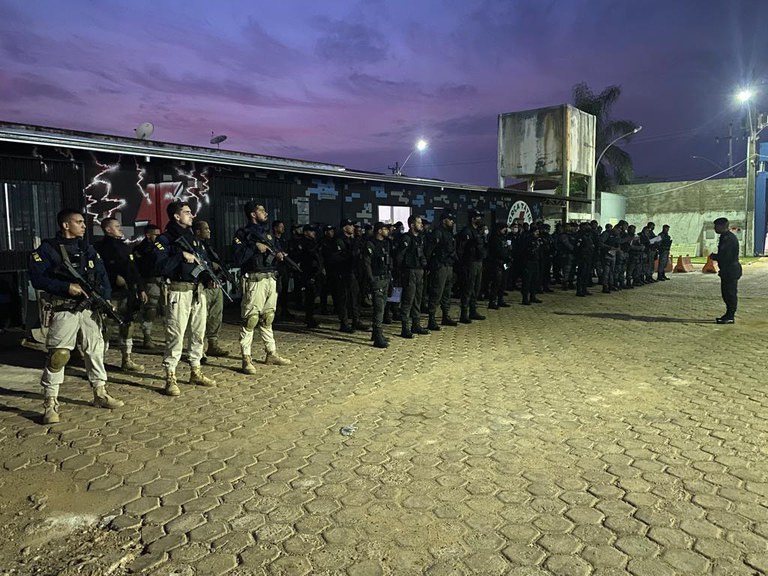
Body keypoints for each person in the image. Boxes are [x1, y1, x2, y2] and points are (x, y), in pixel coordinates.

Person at [29, 208, 124, 424]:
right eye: (79, 222)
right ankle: (50, 402)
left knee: (96, 350)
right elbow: (38, 279)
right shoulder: (48, 249)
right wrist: (65, 287)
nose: (83, 225)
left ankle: (100, 392)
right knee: (59, 355)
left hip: (90, 308)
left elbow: (101, 275)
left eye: (83, 222)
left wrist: (106, 298)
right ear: (65, 225)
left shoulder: (87, 248)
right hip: (65, 308)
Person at [154, 201, 216, 396]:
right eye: (187, 212)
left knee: (198, 333)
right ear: (176, 216)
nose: (192, 215)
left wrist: (208, 278)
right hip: (178, 290)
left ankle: (195, 370)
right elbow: (159, 267)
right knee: (176, 335)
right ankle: (170, 376)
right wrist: (180, 256)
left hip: (197, 291)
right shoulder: (165, 239)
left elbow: (203, 262)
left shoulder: (193, 239)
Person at [233, 201, 292, 373]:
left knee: (268, 317)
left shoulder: (268, 234)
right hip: (254, 280)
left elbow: (273, 250)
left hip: (270, 277)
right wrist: (254, 247)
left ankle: (271, 352)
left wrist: (278, 255)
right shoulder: (243, 234)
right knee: (250, 319)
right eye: (261, 210)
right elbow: (238, 257)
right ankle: (246, 357)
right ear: (253, 214)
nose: (265, 213)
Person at [94, 217, 148, 372]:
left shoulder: (125, 246)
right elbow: (98, 271)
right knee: (107, 326)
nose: (120, 229)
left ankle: (127, 359)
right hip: (111, 293)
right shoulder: (100, 248)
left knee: (128, 324)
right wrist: (113, 278)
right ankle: (100, 361)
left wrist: (141, 288)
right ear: (108, 229)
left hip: (128, 292)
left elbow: (134, 269)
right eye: (117, 226)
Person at [193, 220, 230, 358]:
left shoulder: (208, 246)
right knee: (202, 317)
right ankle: (199, 348)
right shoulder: (194, 244)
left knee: (216, 314)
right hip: (203, 284)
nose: (209, 231)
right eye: (206, 229)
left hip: (215, 282)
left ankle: (213, 344)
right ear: (198, 231)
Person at [327, 218, 368, 333]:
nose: (353, 228)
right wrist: (350, 255)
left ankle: (356, 320)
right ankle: (344, 323)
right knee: (343, 298)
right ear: (345, 228)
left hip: (353, 272)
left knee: (355, 297)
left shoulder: (353, 240)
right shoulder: (339, 241)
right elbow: (336, 258)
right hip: (342, 273)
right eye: (351, 225)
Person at [424, 210, 458, 328]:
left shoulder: (448, 233)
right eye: (450, 219)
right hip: (440, 266)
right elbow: (429, 250)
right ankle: (431, 319)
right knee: (436, 293)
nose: (452, 222)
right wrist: (429, 265)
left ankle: (445, 316)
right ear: (444, 220)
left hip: (448, 266)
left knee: (446, 294)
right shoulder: (437, 232)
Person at [396, 214, 429, 338]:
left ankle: (416, 324)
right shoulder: (406, 238)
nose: (421, 225)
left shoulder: (420, 238)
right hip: (410, 271)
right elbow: (400, 256)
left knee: (417, 299)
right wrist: (400, 271)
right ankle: (405, 328)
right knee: (408, 300)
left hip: (419, 270)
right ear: (412, 225)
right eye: (419, 223)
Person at [133, 223, 162, 348]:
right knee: (150, 309)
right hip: (150, 281)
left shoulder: (161, 247)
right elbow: (139, 268)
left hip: (164, 282)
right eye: (156, 235)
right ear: (148, 235)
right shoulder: (140, 249)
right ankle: (147, 335)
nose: (158, 237)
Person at [363, 222, 392, 348]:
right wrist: (371, 279)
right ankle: (377, 335)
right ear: (379, 231)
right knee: (379, 307)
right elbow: (366, 263)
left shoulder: (385, 243)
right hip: (377, 279)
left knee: (382, 306)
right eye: (385, 229)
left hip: (385, 278)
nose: (387, 231)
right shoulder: (370, 244)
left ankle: (376, 333)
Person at [456, 209, 487, 323]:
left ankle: (473, 311)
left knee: (476, 288)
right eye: (478, 217)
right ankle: (464, 314)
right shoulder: (467, 231)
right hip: (470, 263)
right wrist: (462, 264)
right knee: (468, 288)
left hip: (478, 262)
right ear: (473, 219)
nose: (480, 219)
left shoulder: (477, 231)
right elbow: (461, 249)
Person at [711, 217, 742, 324]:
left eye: (716, 226)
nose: (714, 228)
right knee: (726, 293)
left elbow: (726, 256)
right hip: (727, 270)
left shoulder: (728, 238)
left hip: (730, 270)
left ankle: (730, 316)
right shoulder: (725, 237)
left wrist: (715, 257)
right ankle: (728, 314)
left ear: (722, 226)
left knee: (730, 293)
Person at [294, 224, 325, 328]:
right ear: (306, 232)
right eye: (311, 231)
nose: (313, 233)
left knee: (314, 295)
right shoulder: (302, 243)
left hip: (316, 272)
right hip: (307, 272)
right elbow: (307, 255)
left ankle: (310, 317)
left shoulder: (314, 242)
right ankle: (309, 318)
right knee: (309, 296)